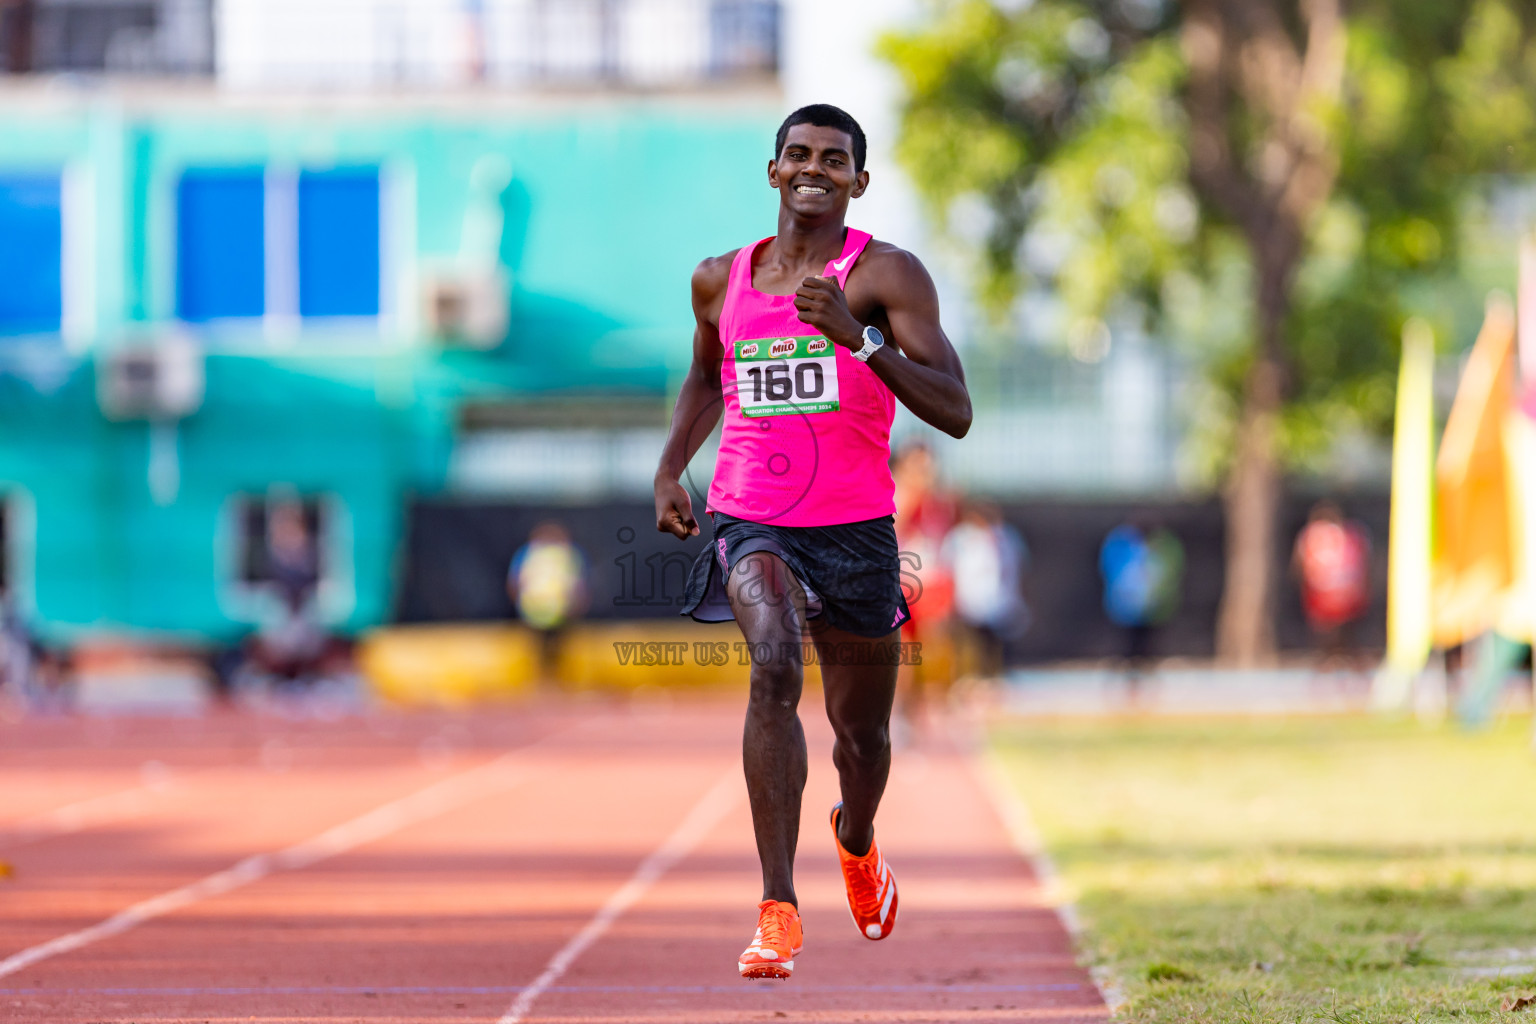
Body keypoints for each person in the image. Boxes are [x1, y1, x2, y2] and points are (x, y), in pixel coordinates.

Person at [653, 104, 971, 980]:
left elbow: (956, 410)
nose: (814, 169)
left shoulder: (886, 276)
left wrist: (860, 340)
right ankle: (777, 907)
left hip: (858, 530)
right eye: (799, 154)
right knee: (775, 662)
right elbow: (704, 378)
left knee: (861, 738)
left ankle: (857, 839)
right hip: (753, 515)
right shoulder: (720, 280)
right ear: (773, 170)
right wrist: (669, 468)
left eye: (835, 160)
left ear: (858, 182)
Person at [943, 501, 1029, 682]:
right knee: (969, 646)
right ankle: (970, 679)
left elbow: (1017, 568)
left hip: (1000, 602)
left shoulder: (1007, 537)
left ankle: (996, 678)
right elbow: (947, 569)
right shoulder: (960, 538)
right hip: (968, 603)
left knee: (996, 646)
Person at [1099, 517, 1183, 692]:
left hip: (1151, 606)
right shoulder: (1120, 544)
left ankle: (1144, 684)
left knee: (1147, 646)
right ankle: (1124, 682)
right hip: (1126, 606)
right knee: (1127, 647)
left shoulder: (1162, 545)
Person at [507, 521, 588, 685]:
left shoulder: (529, 553)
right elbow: (577, 584)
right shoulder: (567, 554)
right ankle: (550, 681)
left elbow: (515, 581)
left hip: (537, 609)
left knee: (547, 649)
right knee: (550, 649)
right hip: (554, 609)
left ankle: (546, 681)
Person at [1292, 501, 1370, 668]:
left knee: (1334, 639)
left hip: (1327, 600)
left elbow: (1299, 567)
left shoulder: (1312, 537)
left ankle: (1332, 668)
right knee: (1341, 639)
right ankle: (1342, 668)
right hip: (1342, 599)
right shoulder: (1349, 535)